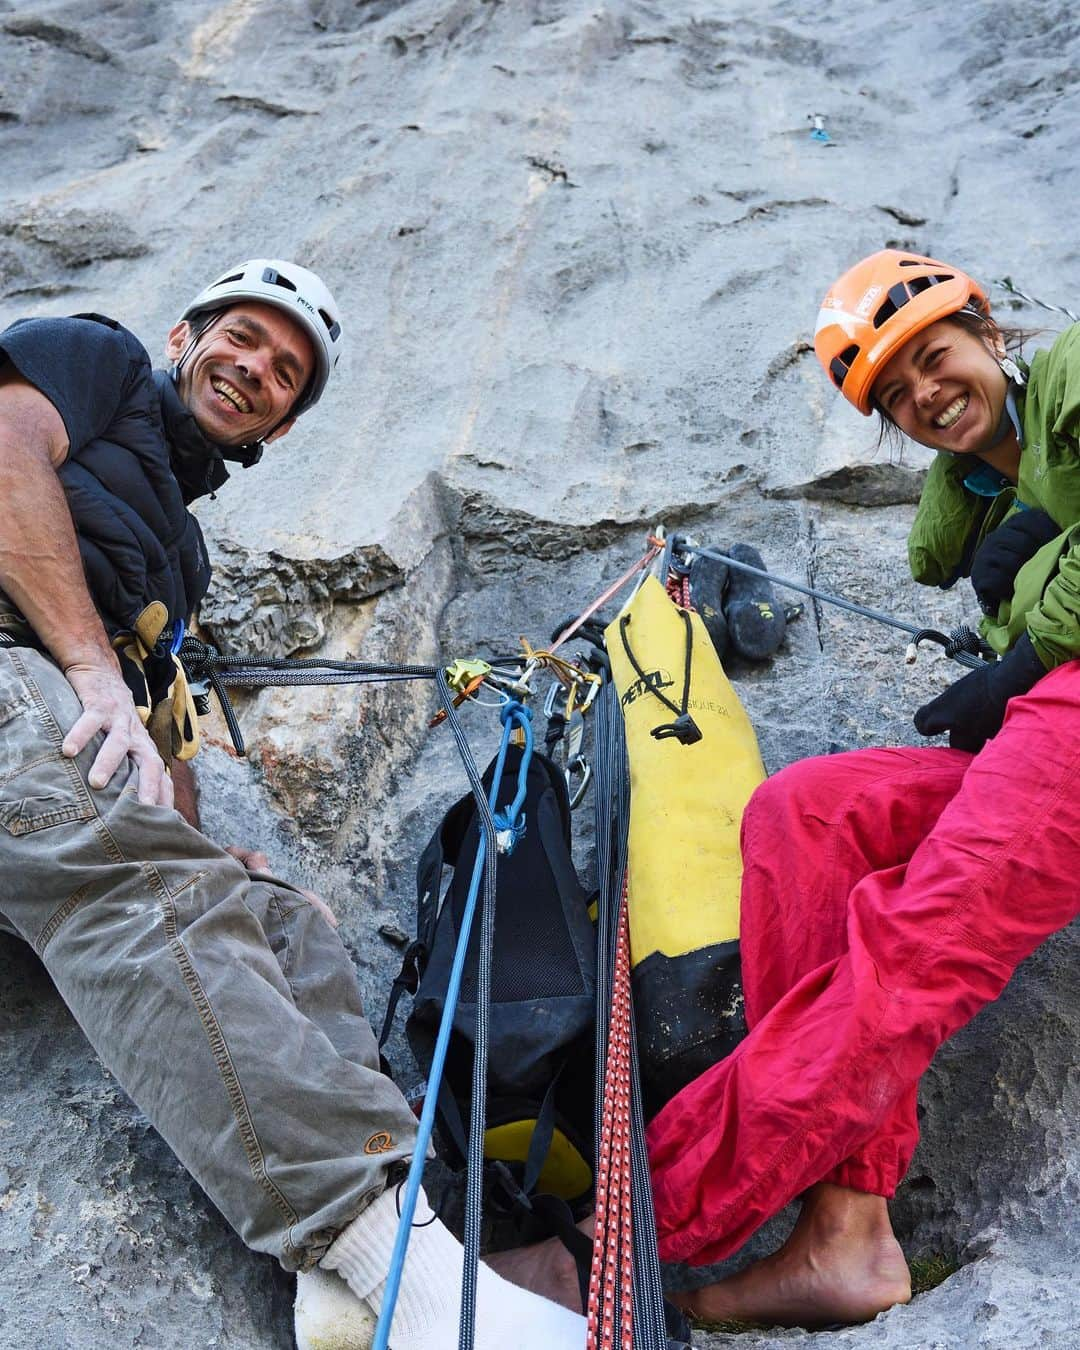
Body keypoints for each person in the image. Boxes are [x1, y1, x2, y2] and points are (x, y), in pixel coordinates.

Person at [0, 259, 586, 1350]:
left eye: (285, 374)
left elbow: (158, 725)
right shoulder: (93, 354)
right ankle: (406, 1281)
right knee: (134, 885)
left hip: (48, 740)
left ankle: (341, 1285)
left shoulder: (182, 552)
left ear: (278, 425)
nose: (257, 370)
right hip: (14, 671)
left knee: (284, 929)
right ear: (184, 336)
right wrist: (87, 668)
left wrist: (206, 858)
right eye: (244, 340)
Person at [643, 249, 1080, 1328]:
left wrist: (1021, 660)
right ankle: (848, 1228)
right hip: (1043, 734)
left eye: (935, 356)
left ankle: (639, 1220)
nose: (926, 395)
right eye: (896, 394)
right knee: (806, 813)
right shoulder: (983, 505)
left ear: (989, 333)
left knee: (918, 936)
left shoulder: (1074, 368)